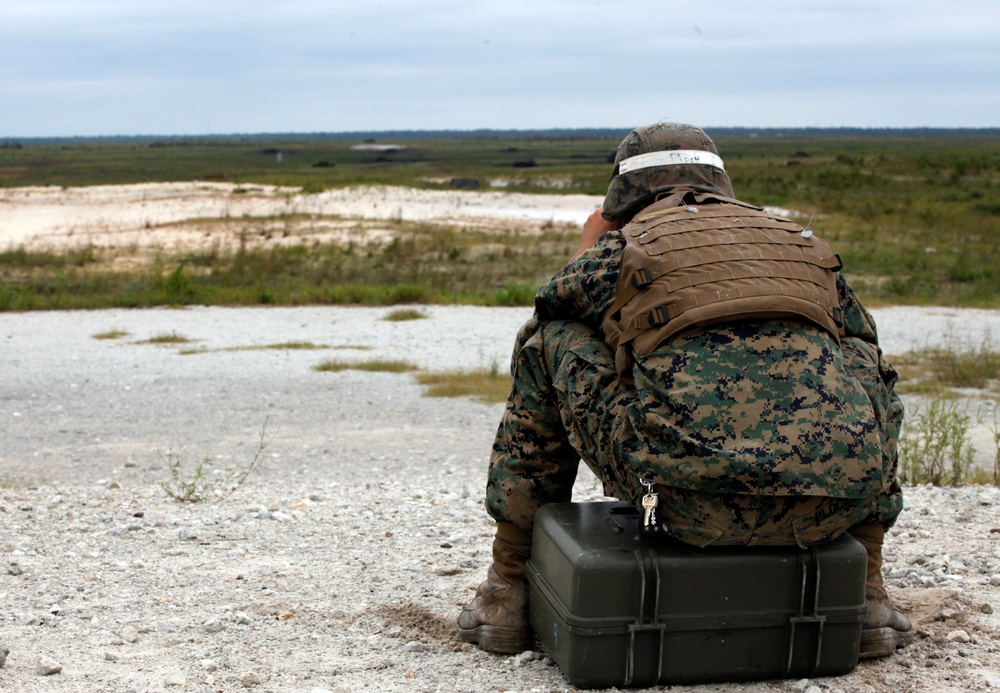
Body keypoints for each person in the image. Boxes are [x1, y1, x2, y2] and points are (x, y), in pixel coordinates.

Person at [456, 122, 913, 660]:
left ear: (622, 198)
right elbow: (864, 350)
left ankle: (507, 590)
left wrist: (592, 249)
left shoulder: (621, 252)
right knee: (862, 358)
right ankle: (866, 593)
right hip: (829, 507)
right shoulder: (806, 248)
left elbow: (550, 306)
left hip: (678, 504)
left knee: (548, 341)